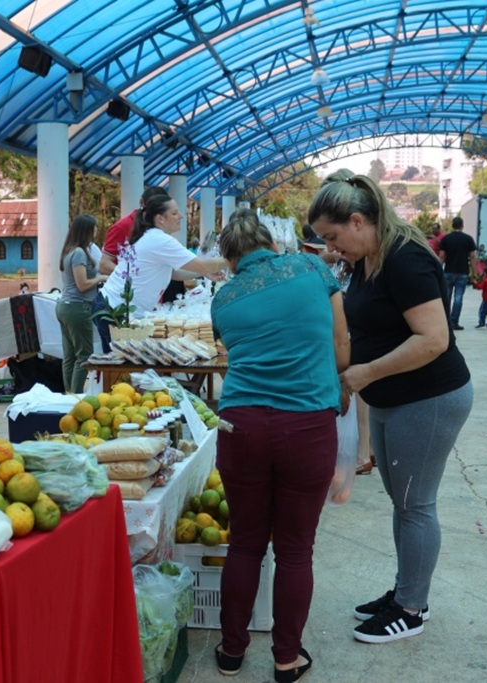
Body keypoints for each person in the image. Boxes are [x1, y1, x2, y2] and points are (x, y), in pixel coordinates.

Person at [308, 172, 473, 645]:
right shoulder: (369, 260)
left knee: (415, 504)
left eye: (334, 237)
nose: (333, 248)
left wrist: (365, 373)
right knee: (402, 502)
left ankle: (412, 608)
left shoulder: (405, 260)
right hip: (392, 399)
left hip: (428, 398)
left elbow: (434, 340)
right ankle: (406, 590)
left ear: (358, 221)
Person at [210, 209, 349, 682]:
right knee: (294, 550)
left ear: (230, 259)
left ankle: (231, 653)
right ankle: (286, 660)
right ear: (272, 242)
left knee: (245, 544)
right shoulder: (313, 269)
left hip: (241, 426)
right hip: (307, 425)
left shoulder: (224, 298)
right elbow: (342, 348)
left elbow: (234, 350)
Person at [98, 194, 227, 338]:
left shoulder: (154, 237)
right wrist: (236, 257)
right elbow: (201, 264)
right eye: (174, 213)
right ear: (160, 218)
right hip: (116, 309)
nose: (180, 216)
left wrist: (202, 272)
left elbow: (173, 273)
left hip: (121, 309)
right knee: (119, 358)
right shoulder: (159, 240)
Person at [56, 214, 108, 393]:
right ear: (86, 230)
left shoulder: (70, 251)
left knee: (70, 356)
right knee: (84, 355)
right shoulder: (79, 253)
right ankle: (76, 397)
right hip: (78, 307)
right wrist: (101, 278)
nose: (95, 231)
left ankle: (68, 395)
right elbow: (83, 284)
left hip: (67, 306)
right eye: (93, 228)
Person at [98, 186, 168, 275]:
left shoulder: (159, 227)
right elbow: (104, 264)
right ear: (142, 202)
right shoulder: (121, 227)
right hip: (127, 286)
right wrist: (134, 275)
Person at [437, 215, 478, 330]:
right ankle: (454, 321)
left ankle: (446, 322)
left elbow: (441, 256)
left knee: (447, 297)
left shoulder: (446, 239)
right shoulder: (468, 239)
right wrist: (474, 272)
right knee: (458, 297)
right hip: (462, 272)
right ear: (462, 226)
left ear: (452, 225)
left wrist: (438, 270)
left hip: (448, 271)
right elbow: (473, 257)